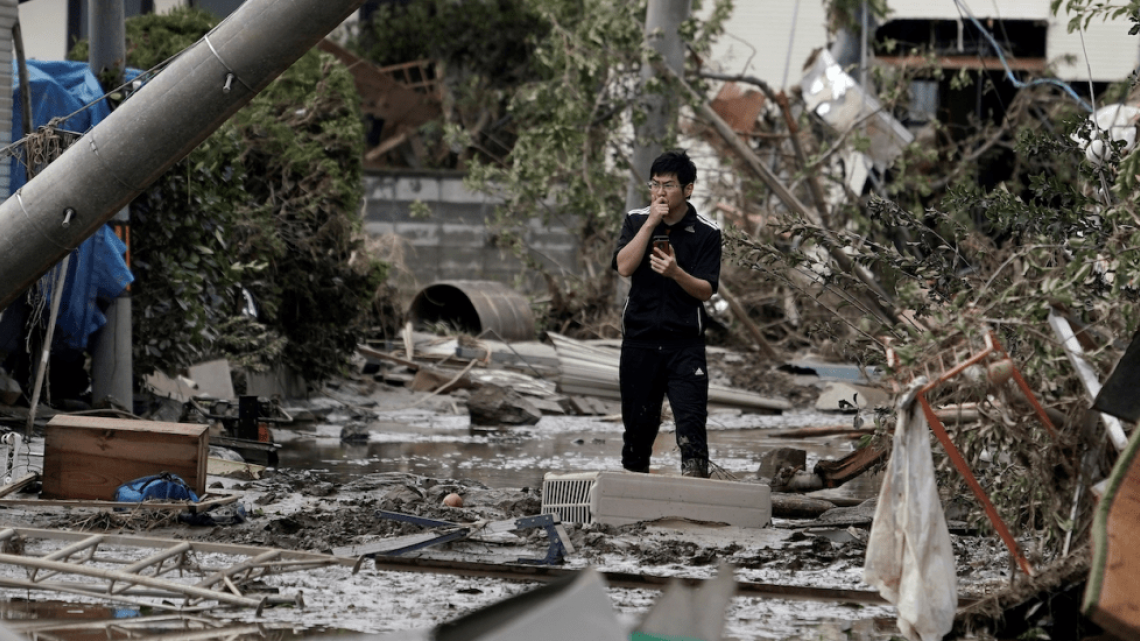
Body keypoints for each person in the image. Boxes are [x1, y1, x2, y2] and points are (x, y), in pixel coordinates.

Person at [611, 150, 722, 478]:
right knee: (637, 431)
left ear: (688, 189)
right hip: (640, 341)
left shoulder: (707, 232)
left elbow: (706, 290)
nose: (660, 192)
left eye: (669, 185)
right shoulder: (635, 220)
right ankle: (632, 504)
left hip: (685, 345)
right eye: (655, 185)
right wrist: (650, 224)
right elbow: (623, 266)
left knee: (691, 428)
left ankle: (696, 507)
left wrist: (676, 272)